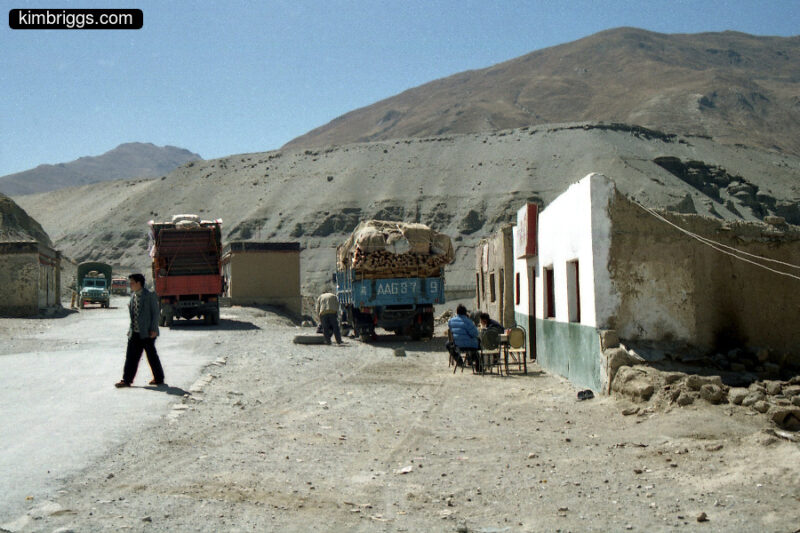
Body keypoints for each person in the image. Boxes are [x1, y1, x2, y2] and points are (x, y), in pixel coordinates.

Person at [115, 273, 165, 388]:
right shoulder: (133, 296)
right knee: (131, 356)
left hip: (147, 332)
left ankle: (159, 378)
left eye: (132, 282)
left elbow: (155, 313)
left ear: (139, 283)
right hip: (135, 333)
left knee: (151, 356)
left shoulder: (149, 295)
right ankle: (126, 380)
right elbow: (133, 315)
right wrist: (130, 329)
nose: (130, 285)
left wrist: (153, 329)